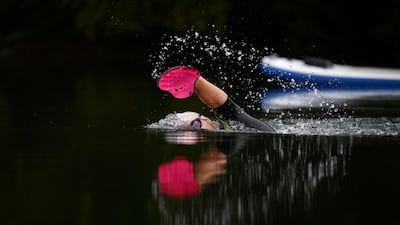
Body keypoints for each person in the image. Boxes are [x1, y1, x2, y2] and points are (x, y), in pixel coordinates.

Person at [157, 66, 275, 132]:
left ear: (207, 119)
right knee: (231, 114)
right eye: (195, 125)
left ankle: (198, 82)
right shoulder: (225, 128)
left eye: (196, 124)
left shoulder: (226, 129)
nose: (198, 129)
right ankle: (198, 82)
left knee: (231, 114)